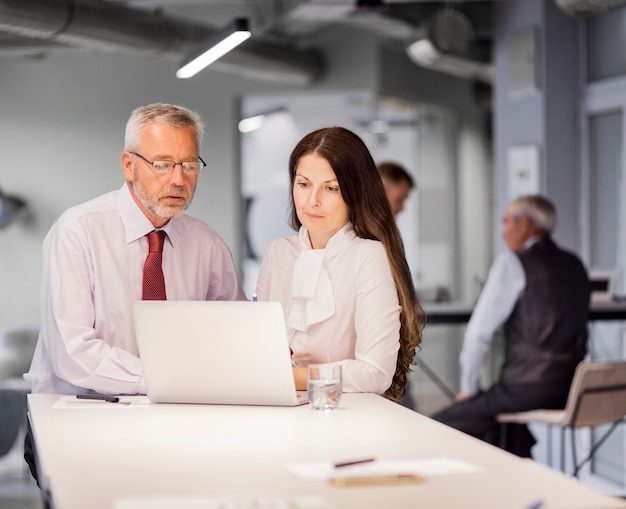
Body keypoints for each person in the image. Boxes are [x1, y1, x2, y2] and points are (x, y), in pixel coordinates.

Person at [24, 103, 246, 479]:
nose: (178, 179)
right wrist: (169, 379)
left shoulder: (206, 244)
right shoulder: (78, 231)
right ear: (129, 165)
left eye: (189, 165)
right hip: (76, 421)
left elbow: (236, 333)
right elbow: (73, 354)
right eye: (162, 164)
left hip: (172, 421)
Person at [255, 127, 425, 402]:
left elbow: (375, 372)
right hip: (281, 409)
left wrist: (289, 376)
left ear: (354, 193)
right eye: (303, 184)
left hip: (348, 416)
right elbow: (259, 350)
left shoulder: (369, 255)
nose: (313, 201)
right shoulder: (278, 252)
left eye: (331, 188)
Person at [432, 194, 591, 457]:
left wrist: (468, 390)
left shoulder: (513, 263)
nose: (504, 232)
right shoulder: (575, 264)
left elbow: (479, 335)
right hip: (572, 388)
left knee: (437, 425)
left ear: (525, 224)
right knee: (500, 419)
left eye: (506, 222)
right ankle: (520, 471)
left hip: (527, 389)